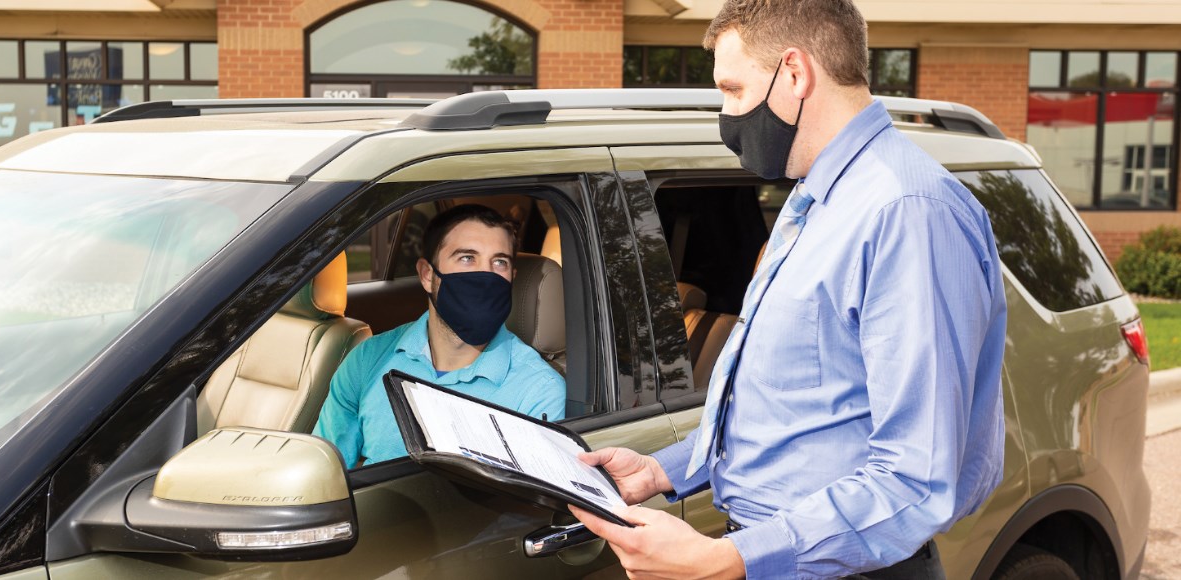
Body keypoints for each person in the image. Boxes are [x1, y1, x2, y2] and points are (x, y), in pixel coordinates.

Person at [568, 1, 1008, 578]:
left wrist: (727, 560)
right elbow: (797, 409)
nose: (726, 115)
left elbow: (915, 478)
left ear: (795, 74)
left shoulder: (906, 212)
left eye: (732, 89)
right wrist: (664, 470)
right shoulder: (813, 199)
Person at [314, 204, 566, 467]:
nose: (485, 275)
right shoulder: (368, 359)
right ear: (427, 275)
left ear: (512, 277)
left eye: (499, 262)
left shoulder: (539, 391)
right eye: (467, 258)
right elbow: (324, 473)